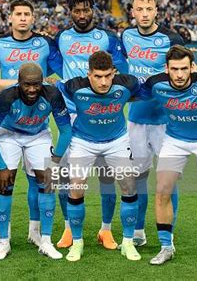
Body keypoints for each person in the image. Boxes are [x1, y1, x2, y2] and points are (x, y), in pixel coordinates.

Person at [0, 0, 63, 246]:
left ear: (32, 18)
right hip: (8, 112)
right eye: (17, 13)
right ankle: (3, 239)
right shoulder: (0, 43)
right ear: (10, 17)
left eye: (26, 14)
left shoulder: (45, 43)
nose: (22, 18)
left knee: (37, 179)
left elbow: (58, 70)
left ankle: (35, 230)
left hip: (36, 114)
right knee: (6, 180)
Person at [54, 0, 128, 249]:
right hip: (71, 115)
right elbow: (54, 64)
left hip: (103, 114)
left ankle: (105, 230)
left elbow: (121, 69)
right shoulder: (61, 38)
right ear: (70, 11)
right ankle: (68, 228)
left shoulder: (106, 38)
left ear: (93, 10)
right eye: (77, 11)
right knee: (65, 176)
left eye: (86, 10)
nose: (82, 15)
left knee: (107, 176)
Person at [139, 45, 197, 268]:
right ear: (166, 68)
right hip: (174, 140)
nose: (179, 74)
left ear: (192, 67)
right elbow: (132, 94)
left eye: (184, 69)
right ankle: (166, 247)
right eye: (174, 69)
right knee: (162, 190)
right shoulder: (155, 83)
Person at [57, 51, 141, 262]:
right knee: (76, 188)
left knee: (129, 186)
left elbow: (154, 87)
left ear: (114, 72)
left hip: (117, 141)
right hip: (83, 141)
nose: (103, 82)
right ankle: (77, 243)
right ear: (89, 74)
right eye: (97, 76)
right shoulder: (74, 86)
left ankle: (128, 242)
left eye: (107, 76)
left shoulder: (127, 84)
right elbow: (46, 87)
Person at [0, 63, 72, 260]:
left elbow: (66, 131)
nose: (32, 90)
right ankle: (3, 241)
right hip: (9, 134)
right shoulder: (7, 96)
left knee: (46, 181)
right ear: (19, 83)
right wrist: (2, 167)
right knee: (6, 183)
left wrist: (54, 161)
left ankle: (43, 239)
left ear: (42, 82)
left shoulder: (52, 95)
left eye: (36, 85)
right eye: (27, 85)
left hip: (38, 135)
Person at [121, 0, 185, 246]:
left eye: (149, 9)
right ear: (133, 12)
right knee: (138, 177)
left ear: (157, 10)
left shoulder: (171, 38)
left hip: (166, 121)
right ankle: (138, 231)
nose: (145, 14)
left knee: (168, 177)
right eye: (140, 9)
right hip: (136, 119)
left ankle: (168, 231)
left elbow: (187, 71)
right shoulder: (125, 36)